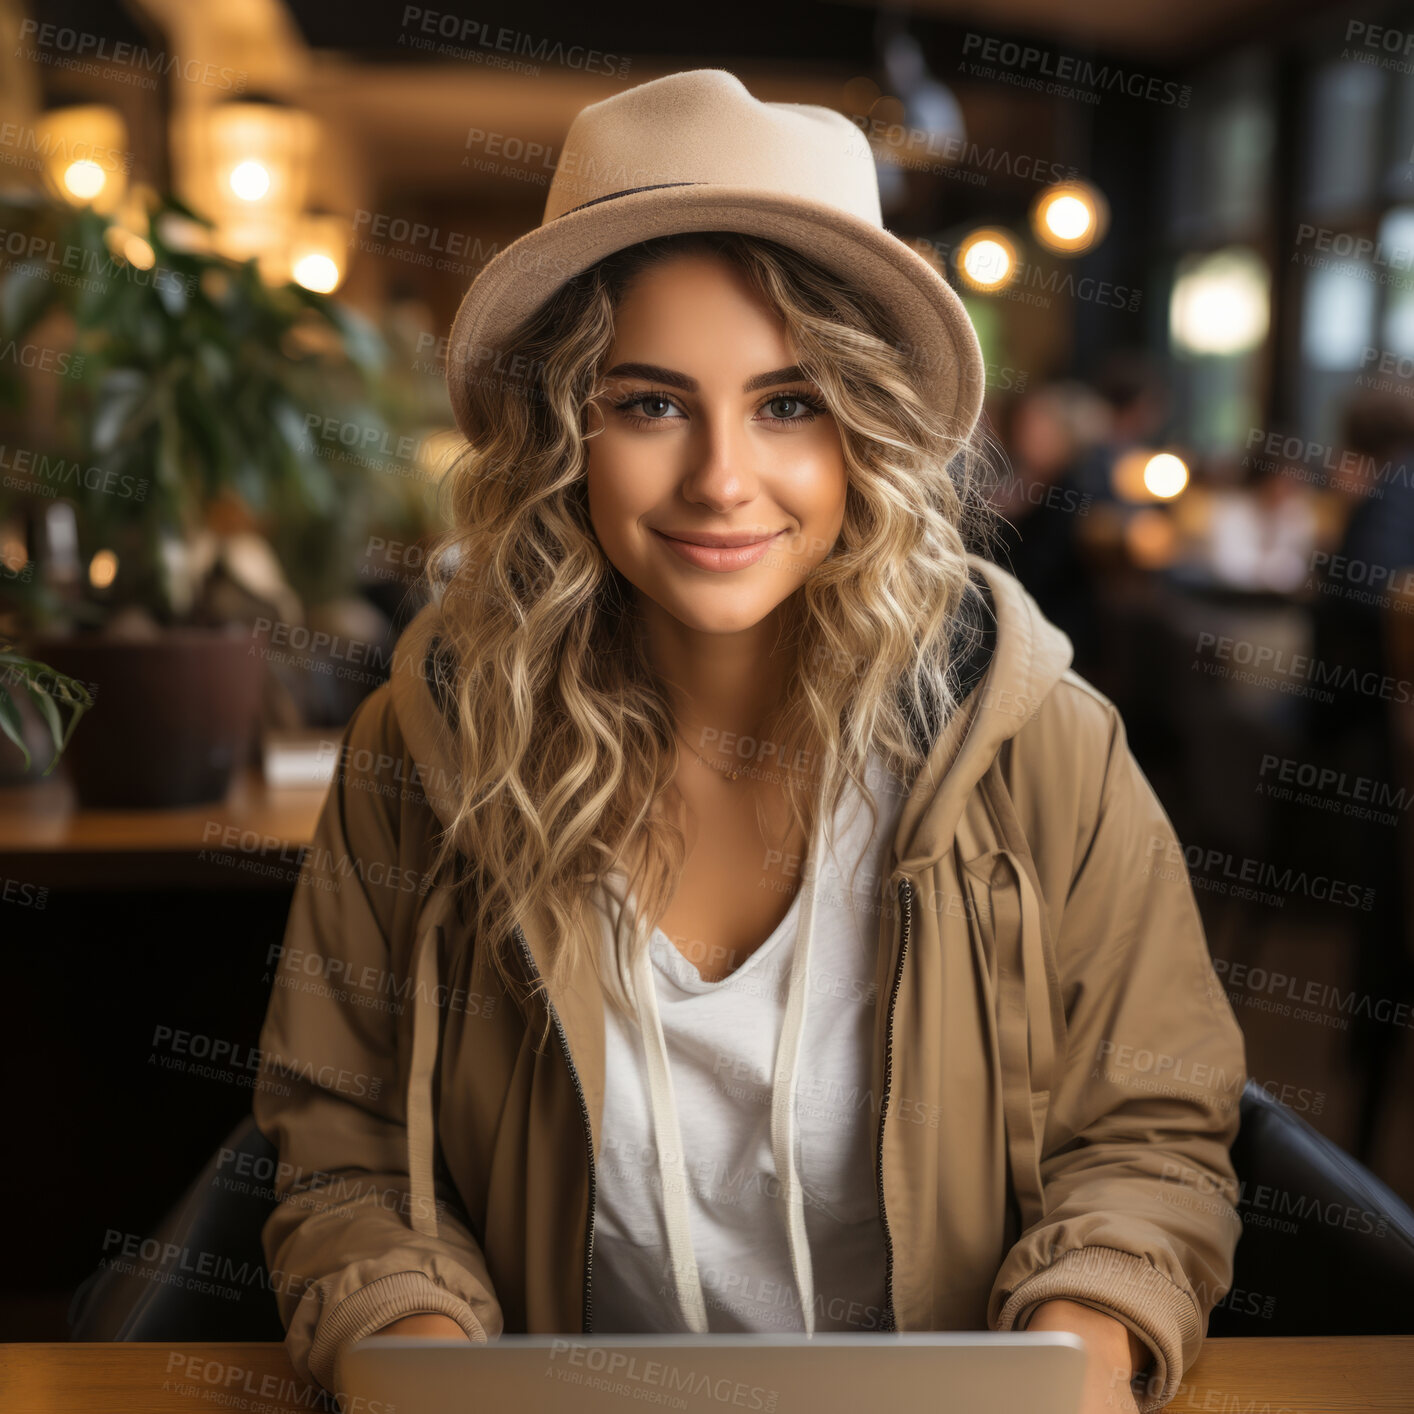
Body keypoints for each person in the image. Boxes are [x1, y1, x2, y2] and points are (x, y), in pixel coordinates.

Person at [252, 70, 1246, 1414]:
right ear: (562, 432)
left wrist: (1067, 1360)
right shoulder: (424, 746)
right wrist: (422, 1361)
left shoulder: (1040, 745)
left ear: (868, 432)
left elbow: (1150, 1132)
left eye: (789, 403)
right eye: (649, 402)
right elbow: (346, 1154)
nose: (722, 477)